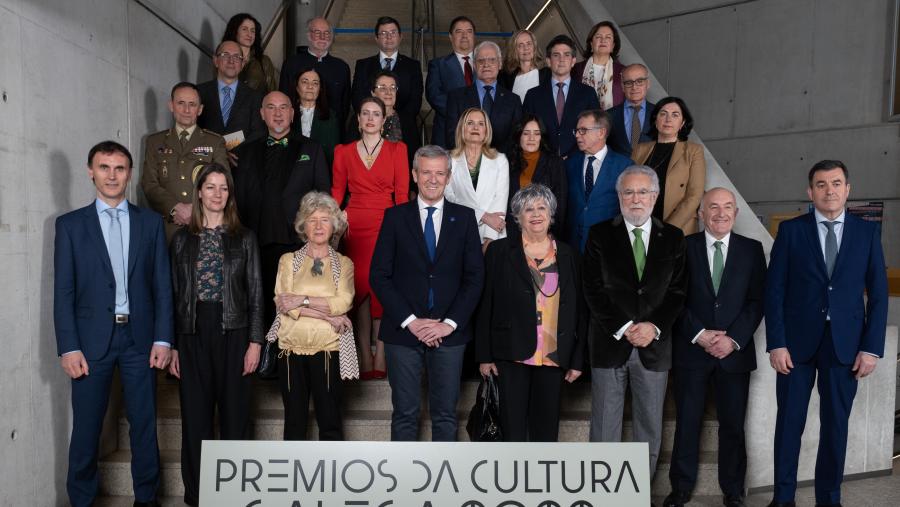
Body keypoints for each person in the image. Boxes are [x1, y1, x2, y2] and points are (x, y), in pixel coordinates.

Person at [54, 141, 172, 507]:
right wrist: (69, 346)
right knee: (87, 428)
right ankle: (82, 501)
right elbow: (63, 291)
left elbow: (162, 285)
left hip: (139, 339)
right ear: (90, 171)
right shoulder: (71, 226)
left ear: (129, 173)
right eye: (104, 167)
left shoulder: (150, 223)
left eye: (119, 168)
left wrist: (164, 340)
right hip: (90, 342)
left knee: (143, 425)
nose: (112, 175)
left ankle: (146, 498)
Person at [765, 160, 888, 507]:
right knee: (789, 426)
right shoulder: (792, 231)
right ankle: (783, 499)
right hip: (795, 347)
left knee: (836, 429)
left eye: (836, 184)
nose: (829, 190)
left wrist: (871, 348)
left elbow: (878, 295)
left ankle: (829, 499)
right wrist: (777, 342)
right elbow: (774, 291)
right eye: (821, 184)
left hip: (845, 347)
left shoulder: (866, 233)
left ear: (848, 189)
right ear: (810, 192)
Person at [370, 145, 485, 441]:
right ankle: (403, 485)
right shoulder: (395, 217)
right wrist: (411, 321)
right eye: (425, 173)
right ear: (414, 175)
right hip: (403, 331)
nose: (432, 179)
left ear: (448, 177)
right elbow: (379, 276)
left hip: (450, 333)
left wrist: (448, 323)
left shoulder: (465, 217)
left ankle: (443, 486)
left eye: (439, 173)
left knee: (446, 415)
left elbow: (474, 278)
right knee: (405, 414)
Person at [167, 163, 263, 507]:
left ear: (230, 195)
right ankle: (198, 495)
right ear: (199, 192)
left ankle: (234, 492)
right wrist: (174, 345)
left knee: (236, 416)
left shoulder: (245, 237)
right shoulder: (181, 241)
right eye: (210, 187)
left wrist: (255, 342)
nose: (217, 194)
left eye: (223, 188)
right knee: (195, 417)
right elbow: (174, 295)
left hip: (234, 331)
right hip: (192, 333)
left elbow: (255, 293)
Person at [583, 165, 687, 479]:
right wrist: (626, 327)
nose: (636, 198)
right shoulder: (600, 234)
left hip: (654, 348)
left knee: (650, 429)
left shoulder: (673, 237)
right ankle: (603, 499)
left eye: (643, 192)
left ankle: (638, 495)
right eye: (629, 192)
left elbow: (678, 291)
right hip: (609, 343)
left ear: (655, 196)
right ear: (619, 197)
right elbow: (593, 288)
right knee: (604, 429)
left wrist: (652, 327)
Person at [664, 188, 766, 507]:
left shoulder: (752, 250)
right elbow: (673, 296)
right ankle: (680, 487)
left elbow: (756, 301)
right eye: (713, 207)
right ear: (700, 213)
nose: (720, 213)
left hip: (734, 354)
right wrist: (700, 334)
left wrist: (732, 339)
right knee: (688, 421)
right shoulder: (683, 246)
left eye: (727, 207)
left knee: (733, 425)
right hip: (692, 351)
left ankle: (732, 491)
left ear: (736, 213)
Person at [476, 184, 584, 441]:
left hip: (554, 354)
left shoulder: (569, 254)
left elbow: (580, 310)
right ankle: (512, 481)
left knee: (545, 432)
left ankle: (540, 481)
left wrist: (577, 359)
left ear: (551, 214)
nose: (536, 214)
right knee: (511, 430)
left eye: (542, 208)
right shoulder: (499, 252)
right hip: (510, 353)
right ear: (518, 216)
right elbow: (485, 304)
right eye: (528, 209)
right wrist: (484, 355)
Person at [232, 91, 331, 327]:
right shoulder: (244, 152)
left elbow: (323, 197)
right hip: (256, 243)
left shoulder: (312, 148)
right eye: (271, 108)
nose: (278, 113)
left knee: (295, 309)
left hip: (298, 243)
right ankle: (264, 358)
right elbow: (237, 198)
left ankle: (289, 361)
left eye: (283, 107)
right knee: (261, 306)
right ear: (262, 114)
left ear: (292, 113)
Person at [332, 96, 410, 379]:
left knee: (383, 288)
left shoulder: (397, 149)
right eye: (364, 113)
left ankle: (382, 354)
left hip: (387, 223)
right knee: (360, 289)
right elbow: (337, 193)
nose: (369, 118)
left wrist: (403, 229)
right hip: (355, 225)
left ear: (383, 119)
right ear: (358, 119)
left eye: (375, 114)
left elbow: (401, 195)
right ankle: (364, 355)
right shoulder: (342, 151)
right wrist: (331, 220)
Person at [272, 191, 355, 441]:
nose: (318, 226)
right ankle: (293, 480)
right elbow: (283, 302)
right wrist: (328, 316)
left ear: (334, 226)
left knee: (330, 421)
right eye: (312, 219)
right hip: (290, 349)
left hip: (328, 349)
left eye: (325, 219)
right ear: (303, 226)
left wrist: (302, 300)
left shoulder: (344, 263)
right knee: (294, 422)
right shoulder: (288, 261)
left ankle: (331, 480)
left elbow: (343, 302)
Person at [141, 81, 229, 241]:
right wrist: (175, 208)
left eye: (192, 104)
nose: (187, 110)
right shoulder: (154, 142)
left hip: (205, 227)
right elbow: (149, 184)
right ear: (171, 105)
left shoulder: (214, 142)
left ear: (200, 109)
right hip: (167, 230)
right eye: (181, 103)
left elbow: (224, 185)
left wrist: (196, 212)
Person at [351, 16, 423, 159]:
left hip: (403, 128)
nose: (388, 37)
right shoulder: (363, 65)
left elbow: (415, 100)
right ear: (376, 38)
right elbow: (357, 97)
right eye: (383, 33)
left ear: (400, 36)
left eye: (393, 32)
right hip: (367, 127)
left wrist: (395, 119)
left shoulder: (412, 65)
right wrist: (374, 118)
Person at [633, 97, 706, 235]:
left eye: (675, 115)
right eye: (663, 113)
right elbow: (629, 187)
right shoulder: (639, 150)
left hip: (678, 227)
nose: (668, 119)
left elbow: (694, 195)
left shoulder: (693, 150)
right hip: (642, 226)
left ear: (682, 122)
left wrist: (668, 229)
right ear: (655, 120)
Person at [565, 109, 633, 251]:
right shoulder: (569, 164)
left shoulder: (625, 166)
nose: (577, 135)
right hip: (572, 246)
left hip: (608, 246)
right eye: (576, 131)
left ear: (601, 133)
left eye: (583, 130)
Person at [523, 35, 600, 158]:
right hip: (542, 162)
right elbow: (526, 132)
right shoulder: (533, 95)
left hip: (578, 161)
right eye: (556, 55)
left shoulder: (588, 94)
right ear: (548, 61)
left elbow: (595, 129)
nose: (561, 59)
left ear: (573, 61)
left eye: (567, 55)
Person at [445, 108, 510, 248]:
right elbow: (450, 199)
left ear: (486, 130)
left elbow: (500, 202)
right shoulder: (449, 160)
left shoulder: (500, 160)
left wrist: (488, 241)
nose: (475, 127)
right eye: (470, 123)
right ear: (462, 128)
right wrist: (483, 216)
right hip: (458, 230)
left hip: (493, 234)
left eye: (481, 123)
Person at [445, 41, 522, 154]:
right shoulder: (456, 97)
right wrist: (474, 157)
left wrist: (493, 159)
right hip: (466, 163)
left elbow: (516, 138)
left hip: (502, 164)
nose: (486, 64)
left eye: (492, 60)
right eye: (481, 61)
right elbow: (452, 136)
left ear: (500, 64)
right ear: (474, 66)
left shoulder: (513, 100)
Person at [279, 17, 352, 137]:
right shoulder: (291, 64)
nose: (323, 37)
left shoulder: (342, 67)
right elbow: (284, 99)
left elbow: (344, 105)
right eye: (317, 32)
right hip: (296, 131)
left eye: (327, 33)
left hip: (331, 133)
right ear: (308, 36)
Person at [506, 114, 568, 238]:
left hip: (544, 233)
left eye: (536, 133)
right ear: (519, 136)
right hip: (513, 232)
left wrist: (552, 233)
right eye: (526, 133)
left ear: (542, 137)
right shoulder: (507, 161)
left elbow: (561, 203)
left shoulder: (555, 162)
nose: (531, 138)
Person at [197, 40, 266, 149]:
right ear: (215, 60)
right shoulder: (198, 93)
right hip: (205, 162)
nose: (231, 61)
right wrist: (216, 152)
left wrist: (228, 151)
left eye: (236, 57)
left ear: (243, 64)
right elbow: (191, 130)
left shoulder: (256, 97)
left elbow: (257, 134)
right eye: (225, 55)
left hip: (241, 161)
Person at [426, 16, 476, 147]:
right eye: (459, 31)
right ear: (450, 36)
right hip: (448, 133)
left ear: (474, 36)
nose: (465, 35)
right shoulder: (438, 64)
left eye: (469, 31)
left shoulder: (486, 63)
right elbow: (434, 96)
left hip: (481, 134)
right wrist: (466, 116)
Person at [293, 67, 341, 167]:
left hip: (320, 170)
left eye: (315, 83)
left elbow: (333, 153)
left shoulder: (331, 116)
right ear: (297, 87)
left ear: (320, 89)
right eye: (305, 82)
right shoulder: (287, 113)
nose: (310, 86)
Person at [573, 21, 626, 110]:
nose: (603, 40)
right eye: (598, 37)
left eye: (608, 37)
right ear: (591, 44)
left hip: (612, 122)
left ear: (613, 45)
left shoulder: (623, 72)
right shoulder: (575, 69)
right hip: (579, 121)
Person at [606, 63, 655, 158]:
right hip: (620, 171)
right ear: (622, 86)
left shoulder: (659, 113)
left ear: (648, 84)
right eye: (628, 83)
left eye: (640, 81)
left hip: (650, 171)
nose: (634, 87)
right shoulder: (608, 115)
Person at [223, 13, 277, 93]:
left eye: (252, 31)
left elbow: (272, 92)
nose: (249, 34)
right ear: (234, 31)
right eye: (244, 29)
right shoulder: (224, 58)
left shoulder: (263, 61)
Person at [499, 29, 549, 103]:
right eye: (520, 45)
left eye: (529, 44)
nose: (526, 48)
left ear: (534, 46)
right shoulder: (506, 77)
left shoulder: (547, 73)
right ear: (514, 50)